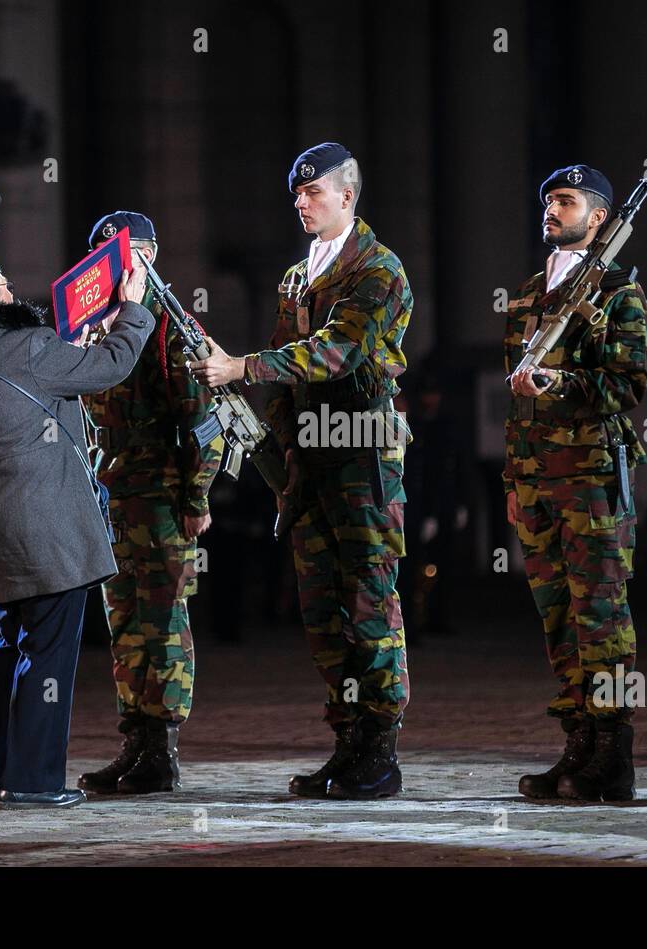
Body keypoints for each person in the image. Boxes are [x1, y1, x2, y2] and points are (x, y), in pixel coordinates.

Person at [190, 142, 413, 799]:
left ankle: (381, 750)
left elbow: (336, 354)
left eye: (314, 191)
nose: (301, 202)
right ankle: (347, 744)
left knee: (369, 604)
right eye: (297, 192)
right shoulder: (296, 278)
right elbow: (290, 385)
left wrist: (240, 367)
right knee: (321, 612)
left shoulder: (379, 269)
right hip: (310, 463)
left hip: (362, 454)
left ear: (348, 195)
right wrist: (281, 453)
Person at [0, 253, 153, 809]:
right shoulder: (24, 346)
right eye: (2, 283)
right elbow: (112, 365)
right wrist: (133, 310)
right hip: (45, 527)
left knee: (4, 647)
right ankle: (32, 780)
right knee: (46, 654)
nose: (10, 290)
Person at [504, 164, 647, 802]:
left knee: (601, 613)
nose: (551, 210)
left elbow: (627, 386)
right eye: (548, 201)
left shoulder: (619, 293)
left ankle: (613, 754)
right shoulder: (530, 293)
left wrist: (559, 382)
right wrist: (515, 475)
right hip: (537, 478)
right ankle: (578, 746)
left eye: (567, 201)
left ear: (599, 218)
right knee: (557, 614)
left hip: (590, 475)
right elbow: (519, 402)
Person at [75, 212, 223, 796]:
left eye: (130, 251)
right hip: (116, 492)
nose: (119, 263)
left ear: (152, 256)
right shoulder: (95, 326)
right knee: (125, 622)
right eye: (107, 254)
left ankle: (161, 749)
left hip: (162, 494)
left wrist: (196, 496)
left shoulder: (170, 328)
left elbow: (204, 424)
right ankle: (134, 741)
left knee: (163, 621)